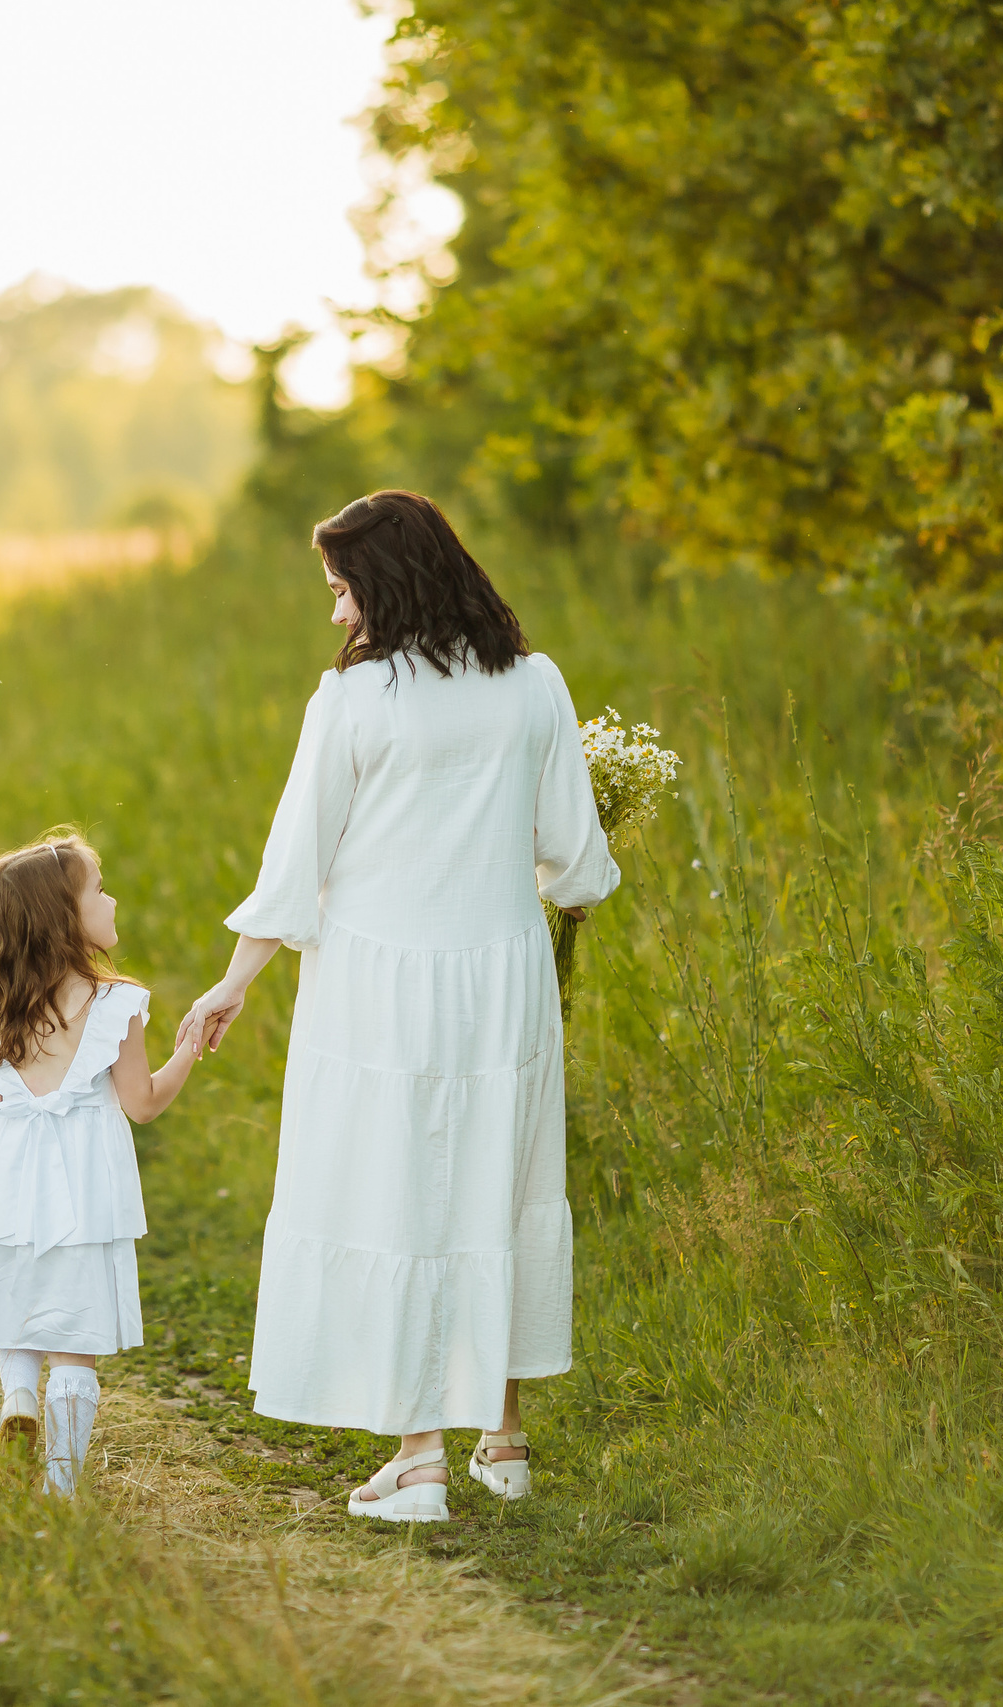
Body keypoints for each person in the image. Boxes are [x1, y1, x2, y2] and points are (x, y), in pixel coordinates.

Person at [185, 490, 620, 1523]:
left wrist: (233, 983)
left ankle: (420, 1456)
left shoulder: (353, 703)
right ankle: (501, 1445)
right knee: (495, 1189)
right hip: (503, 977)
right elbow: (577, 863)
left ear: (384, 585)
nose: (336, 616)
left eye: (342, 592)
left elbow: (295, 871)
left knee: (395, 1196)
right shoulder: (536, 685)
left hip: (378, 983)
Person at [0, 833, 202, 1495]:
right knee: (74, 1335)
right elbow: (141, 1103)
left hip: (12, 1180)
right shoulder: (119, 1004)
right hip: (87, 1185)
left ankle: (19, 1399)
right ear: (65, 918)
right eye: (98, 888)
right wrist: (190, 1049)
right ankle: (59, 1488)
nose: (110, 897)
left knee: (17, 1304)